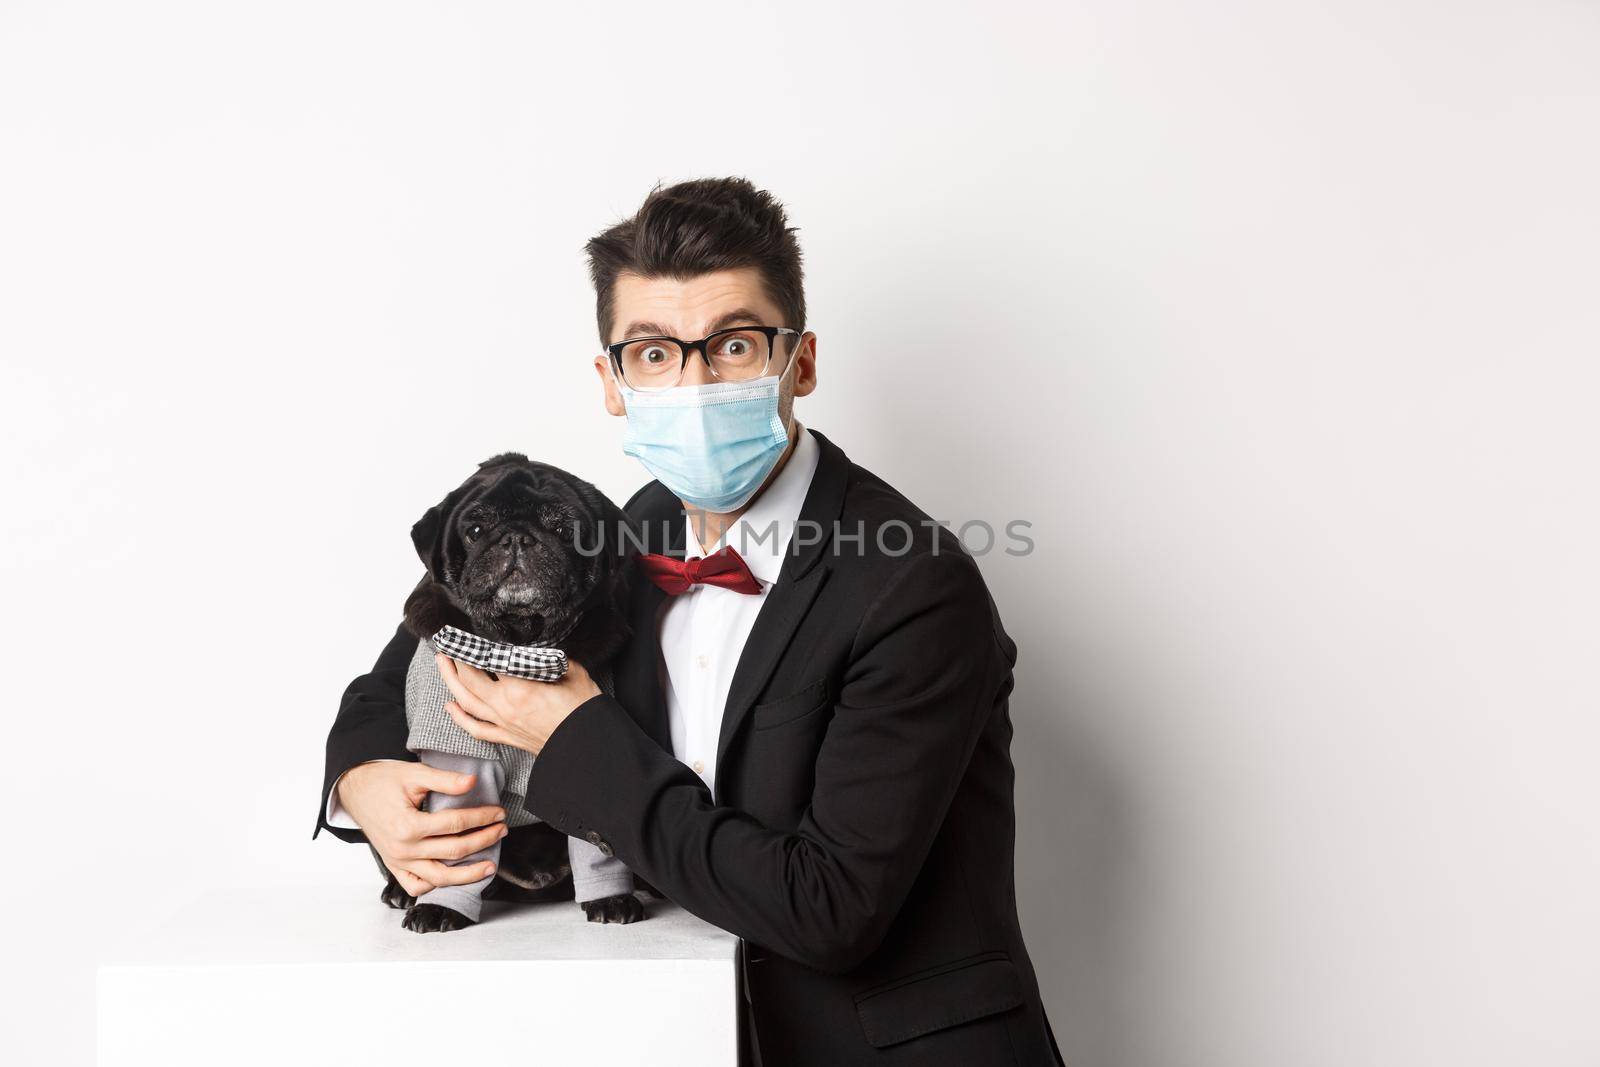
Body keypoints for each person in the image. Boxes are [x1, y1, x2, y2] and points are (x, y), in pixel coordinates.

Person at [315, 176, 1066, 1066]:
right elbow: (416, 645)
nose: (695, 380)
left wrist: (575, 735)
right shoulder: (618, 528)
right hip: (673, 1031)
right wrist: (360, 777)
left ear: (803, 362)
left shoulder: (914, 583)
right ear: (612, 380)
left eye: (735, 345)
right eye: (655, 354)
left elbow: (827, 911)